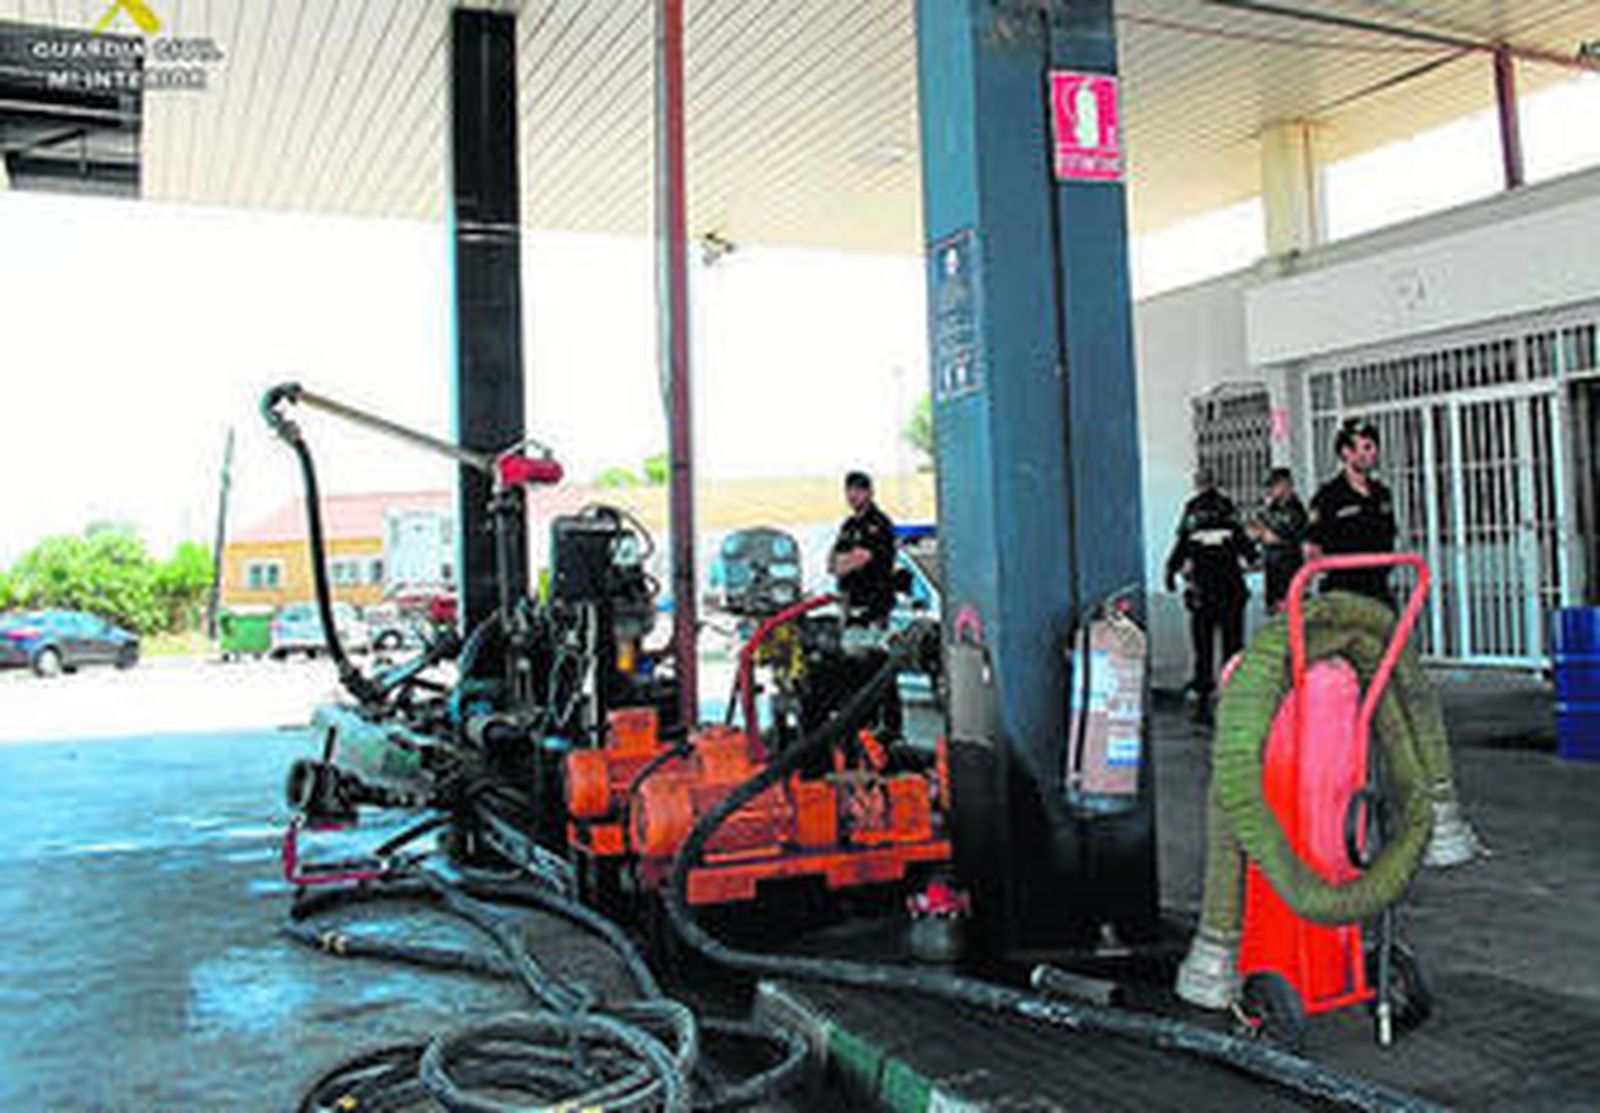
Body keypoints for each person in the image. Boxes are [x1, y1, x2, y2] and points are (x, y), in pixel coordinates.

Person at [1165, 469, 1257, 724]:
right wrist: (1252, 558)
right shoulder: (1227, 509)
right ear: (1215, 483)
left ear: (1197, 485)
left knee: (1203, 648)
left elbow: (1181, 544)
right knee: (1233, 647)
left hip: (1204, 591)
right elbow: (1244, 544)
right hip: (1231, 589)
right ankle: (1234, 703)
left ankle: (1204, 705)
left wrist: (1170, 573)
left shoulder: (1193, 510)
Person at [829, 470, 902, 740]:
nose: (852, 495)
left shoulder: (879, 524)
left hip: (875, 607)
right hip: (851, 608)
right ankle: (865, 725)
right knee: (856, 668)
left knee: (878, 666)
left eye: (858, 490)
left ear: (870, 492)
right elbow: (832, 564)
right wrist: (846, 561)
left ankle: (890, 727)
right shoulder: (848, 526)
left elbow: (859, 559)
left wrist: (848, 561)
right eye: (849, 490)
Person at [1305, 419, 1397, 606]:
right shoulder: (1328, 496)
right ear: (1346, 452)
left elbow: (1390, 536)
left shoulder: (1381, 493)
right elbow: (1312, 547)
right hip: (1343, 593)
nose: (1373, 453)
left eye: (1374, 447)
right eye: (1366, 447)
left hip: (1378, 590)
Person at [1250, 467, 1309, 613]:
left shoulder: (1296, 509)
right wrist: (1263, 533)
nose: (1270, 490)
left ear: (1285, 484)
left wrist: (1266, 534)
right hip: (1272, 572)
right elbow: (1254, 532)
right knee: (1275, 616)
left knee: (1292, 618)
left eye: (1273, 485)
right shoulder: (1270, 508)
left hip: (1290, 571)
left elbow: (1274, 538)